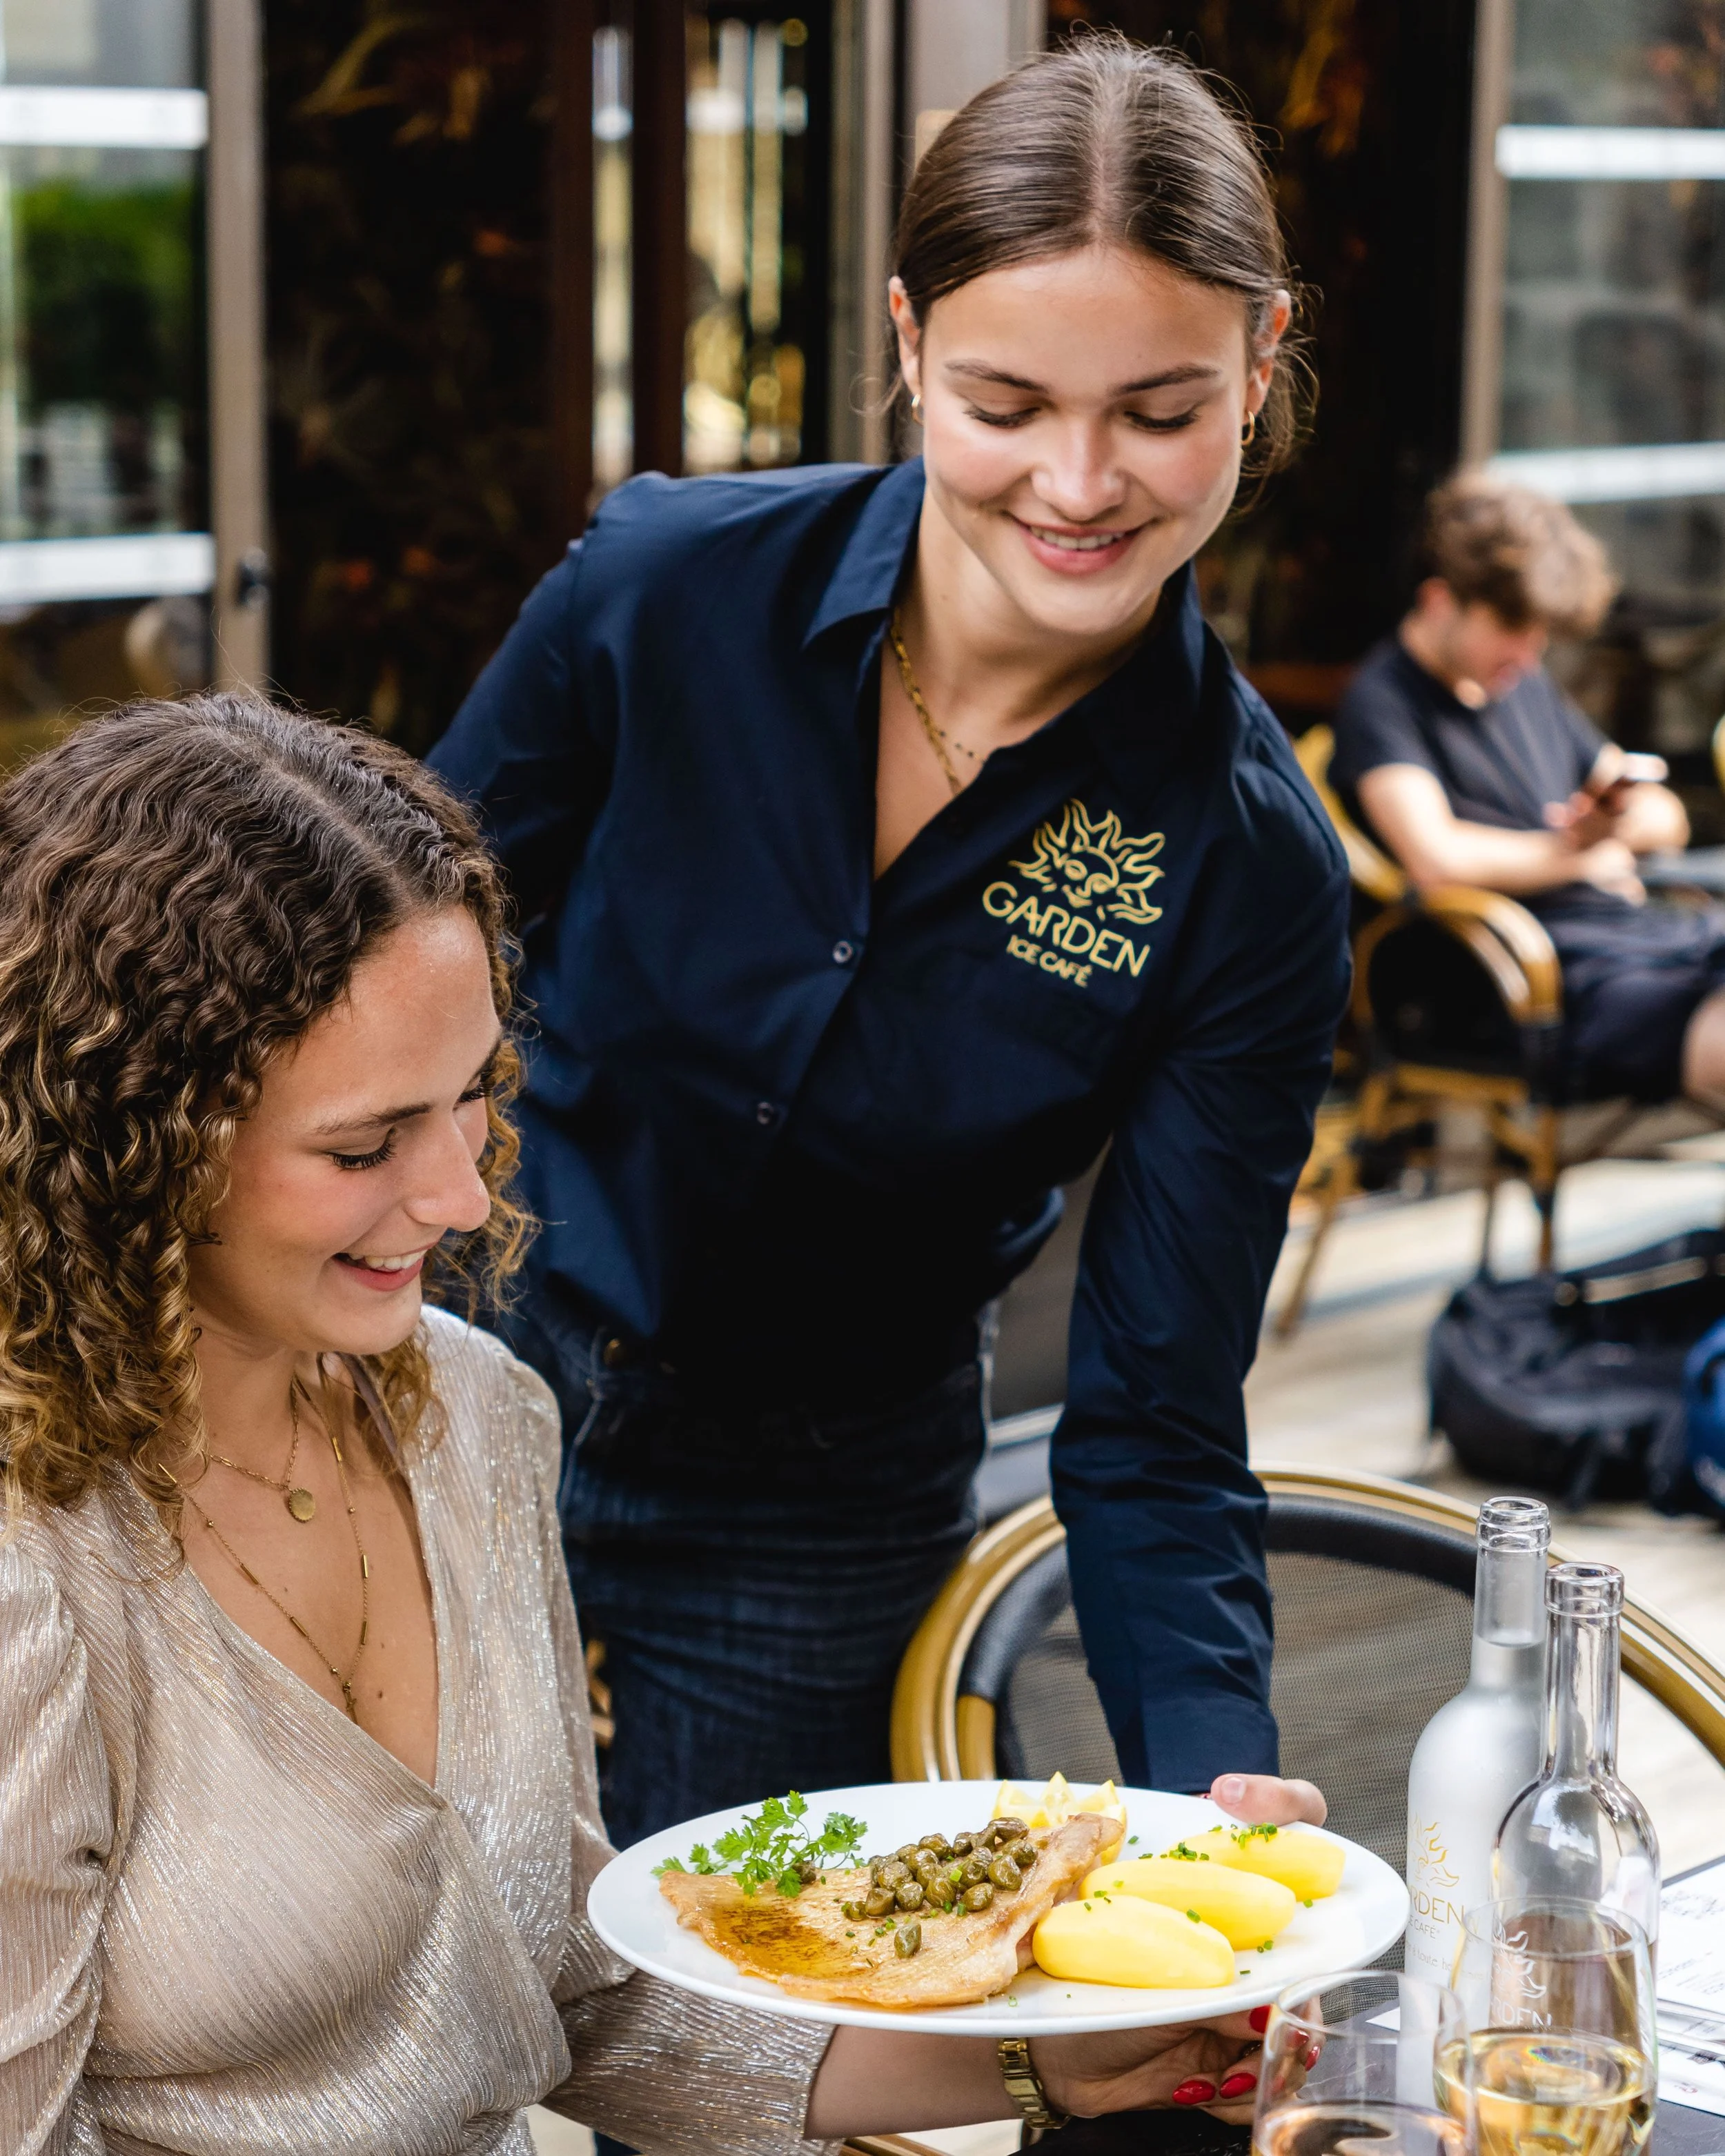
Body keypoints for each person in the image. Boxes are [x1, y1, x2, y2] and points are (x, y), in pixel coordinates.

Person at [0, 692, 1326, 2151]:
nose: (454, 1194)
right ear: (128, 1142)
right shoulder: (34, 1567)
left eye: (473, 1096)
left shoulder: (470, 1414)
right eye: (364, 1143)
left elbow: (580, 1990)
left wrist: (1039, 2066)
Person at [428, 36, 1351, 1850]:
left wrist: (1216, 1777)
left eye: (1159, 412)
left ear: (1259, 365)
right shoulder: (661, 587)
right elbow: (365, 966)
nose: (1080, 484)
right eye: (1007, 402)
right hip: (442, 1376)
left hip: (812, 1513)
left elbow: (1154, 1418)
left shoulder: (1245, 864)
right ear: (911, 343)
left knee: (724, 2085)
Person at [1330, 473, 1725, 1109]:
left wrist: (1608, 827)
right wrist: (1580, 851)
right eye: (1512, 624)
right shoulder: (1383, 704)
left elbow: (1664, 814)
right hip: (1528, 981)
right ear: (1439, 602)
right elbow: (1438, 859)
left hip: (1630, 937)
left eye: (1538, 631)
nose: (1529, 651)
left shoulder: (1523, 685)